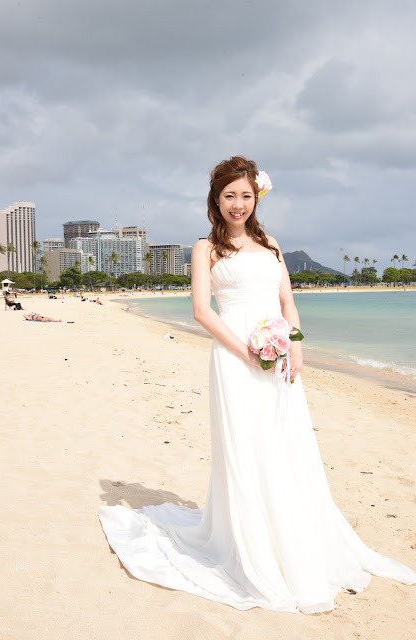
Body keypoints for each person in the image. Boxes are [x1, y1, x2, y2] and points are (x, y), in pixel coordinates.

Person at [99, 156, 415, 613]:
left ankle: (291, 533)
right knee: (248, 446)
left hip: (280, 357)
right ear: (215, 199)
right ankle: (254, 546)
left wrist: (298, 346)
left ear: (256, 197)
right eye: (229, 196)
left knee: (285, 443)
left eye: (246, 195)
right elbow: (202, 312)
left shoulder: (271, 244)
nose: (238, 204)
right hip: (235, 358)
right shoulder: (206, 248)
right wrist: (246, 352)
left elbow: (287, 300)